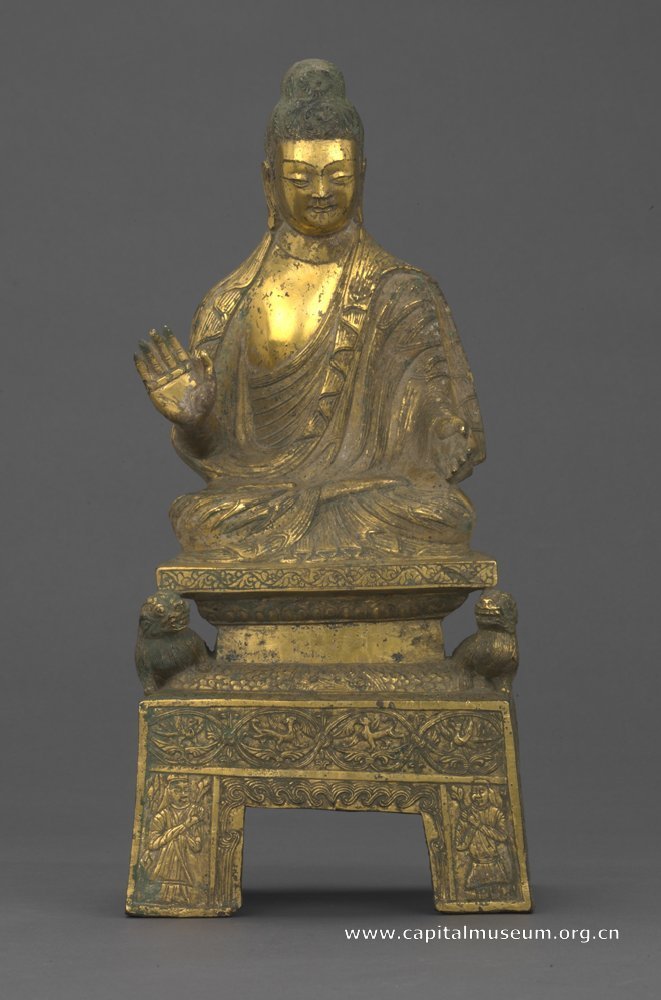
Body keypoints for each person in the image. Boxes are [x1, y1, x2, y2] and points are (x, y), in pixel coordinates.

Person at [135, 59, 485, 561]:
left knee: (443, 515)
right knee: (202, 520)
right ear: (269, 181)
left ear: (361, 175)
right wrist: (195, 419)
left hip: (374, 499)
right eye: (300, 178)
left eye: (337, 175)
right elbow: (221, 453)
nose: (321, 193)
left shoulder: (400, 289)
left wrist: (445, 431)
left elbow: (430, 410)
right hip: (262, 501)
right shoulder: (231, 302)